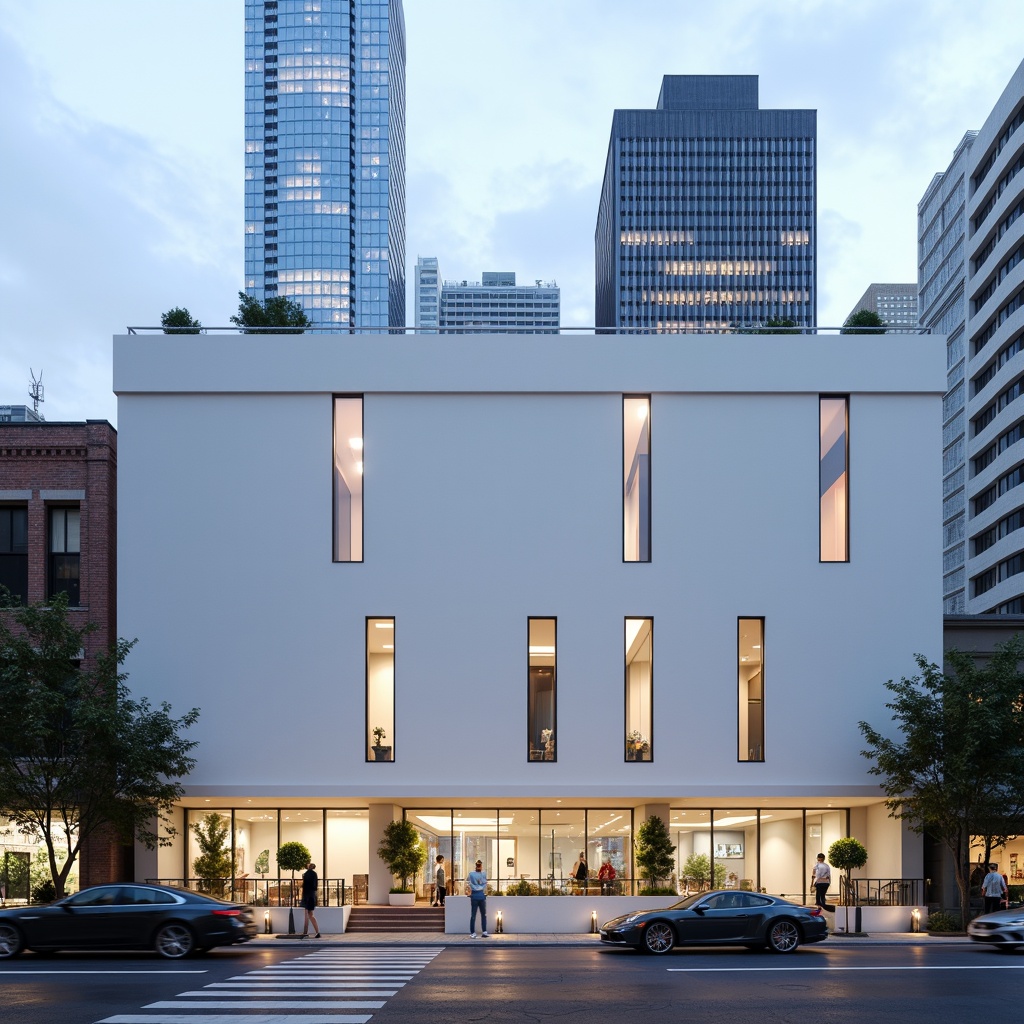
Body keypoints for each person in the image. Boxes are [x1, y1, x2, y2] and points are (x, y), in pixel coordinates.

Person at [467, 859, 489, 937]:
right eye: (479, 865)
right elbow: (485, 883)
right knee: (479, 915)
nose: (479, 867)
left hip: (477, 895)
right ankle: (480, 932)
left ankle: (480, 932)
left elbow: (468, 883)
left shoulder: (472, 874)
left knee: (477, 915)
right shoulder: (480, 874)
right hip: (479, 895)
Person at [300, 861, 321, 938]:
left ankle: (305, 932)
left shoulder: (306, 874)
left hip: (307, 896)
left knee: (307, 914)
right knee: (311, 915)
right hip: (312, 895)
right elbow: (315, 886)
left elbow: (304, 885)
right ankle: (317, 932)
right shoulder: (314, 874)